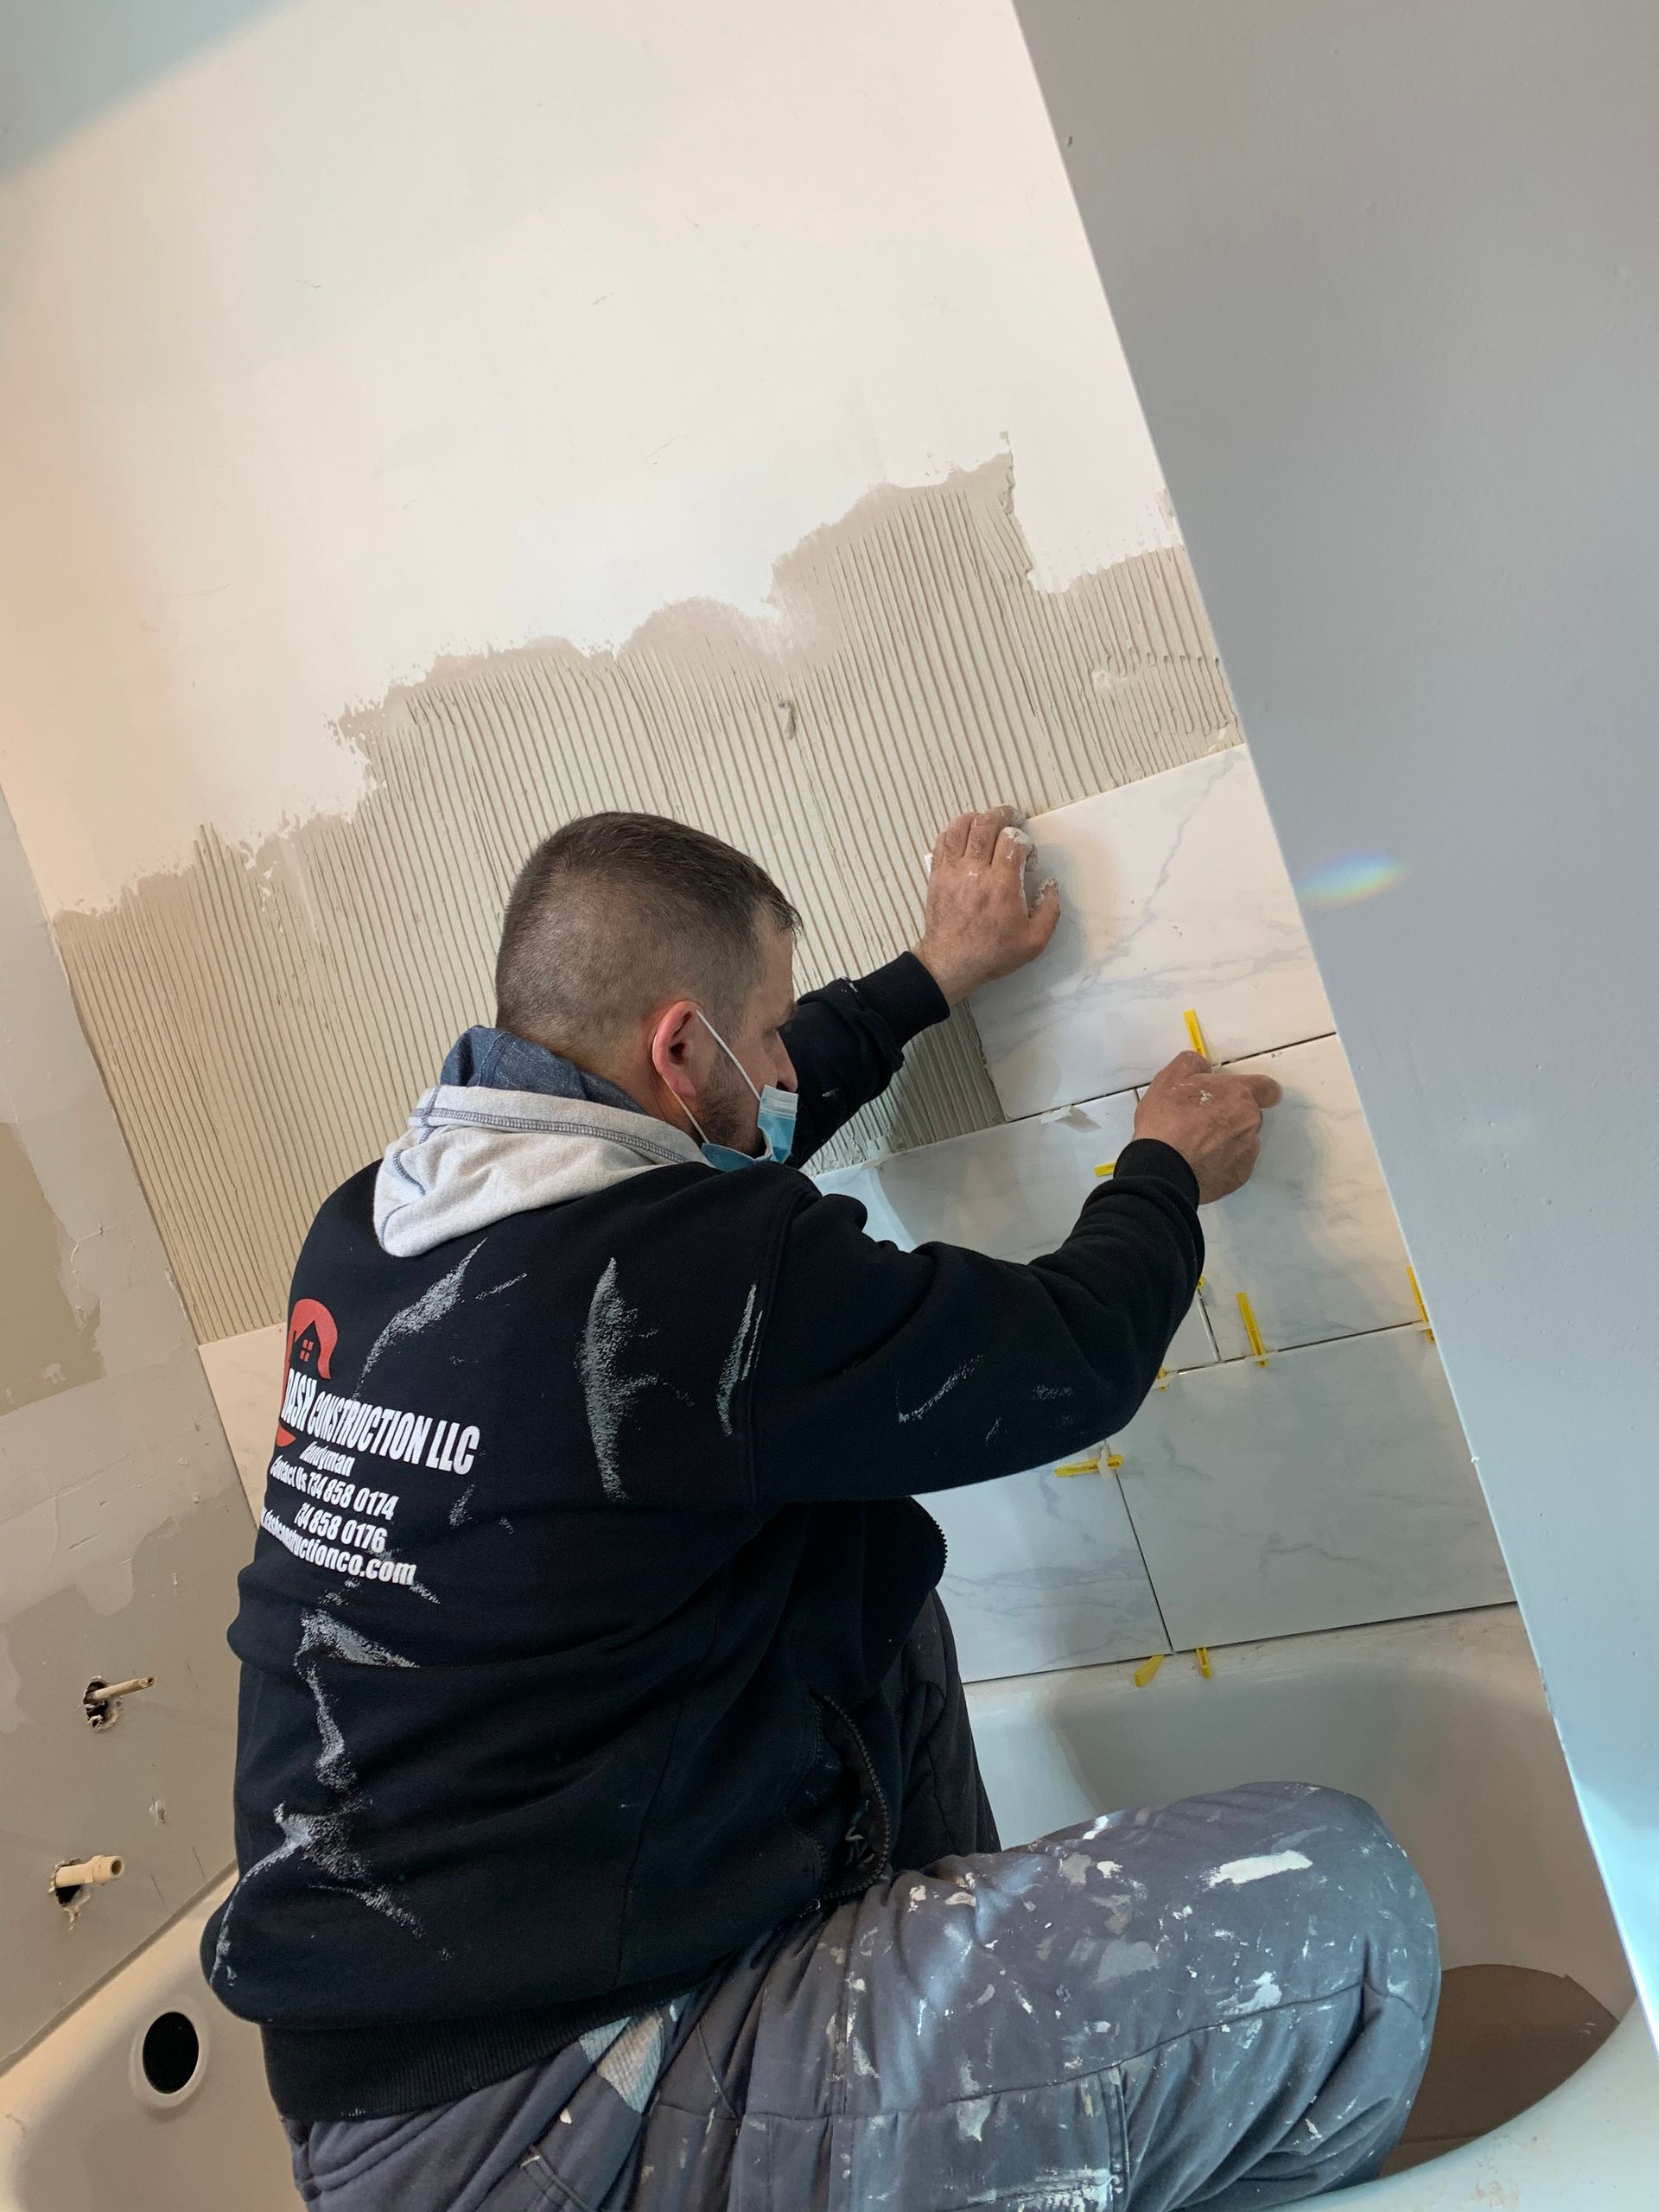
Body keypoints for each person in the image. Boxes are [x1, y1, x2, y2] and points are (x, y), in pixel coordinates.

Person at [207, 806, 1439, 2212]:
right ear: (681, 1048)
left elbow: (720, 1162)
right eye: (769, 1035)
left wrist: (934, 974)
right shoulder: (683, 1280)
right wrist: (1161, 1169)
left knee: (857, 1567)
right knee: (1345, 1913)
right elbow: (1067, 1361)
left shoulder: (382, 1221)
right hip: (555, 2119)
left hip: (420, 2047)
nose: (788, 1067)